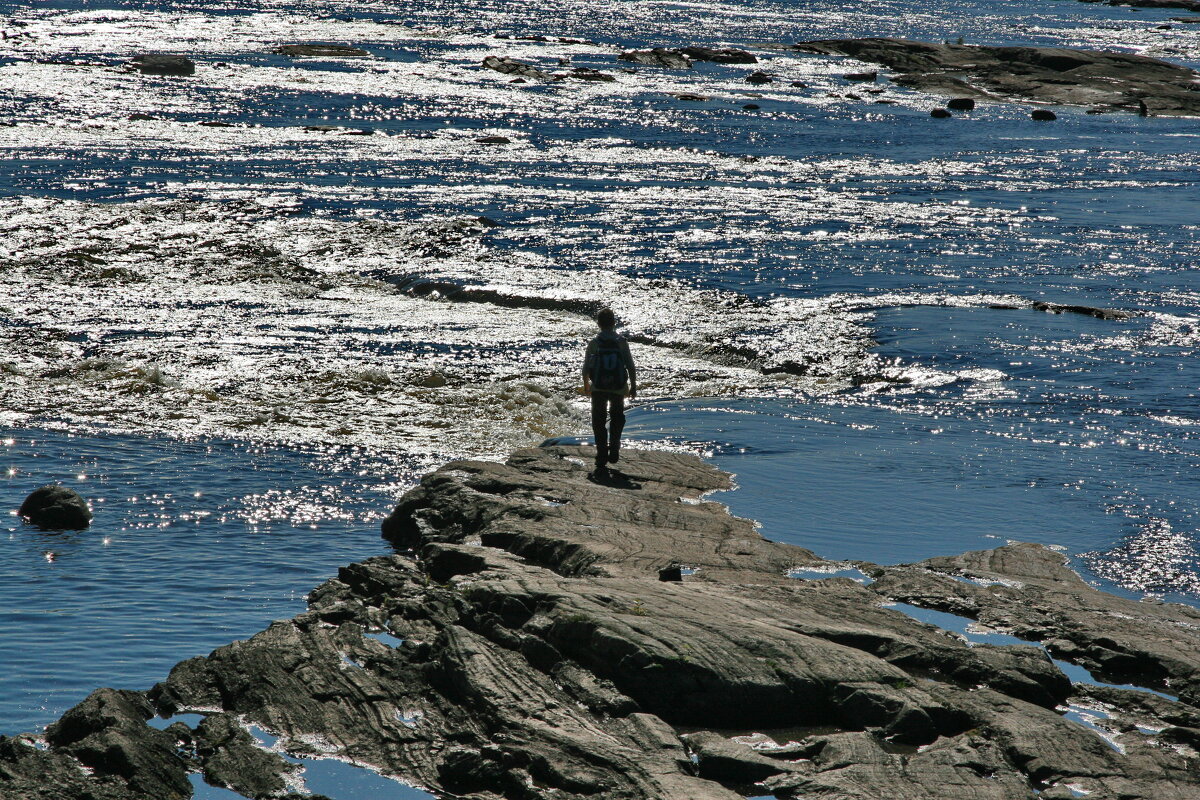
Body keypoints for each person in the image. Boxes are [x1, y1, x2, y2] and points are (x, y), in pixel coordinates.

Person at [582, 308, 636, 474]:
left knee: (598, 420)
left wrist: (586, 386)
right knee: (617, 417)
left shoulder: (595, 342)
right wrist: (633, 385)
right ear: (614, 323)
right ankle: (614, 446)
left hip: (598, 387)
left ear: (598, 324)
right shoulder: (621, 341)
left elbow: (586, 368)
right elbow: (630, 364)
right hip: (618, 387)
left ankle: (601, 455)